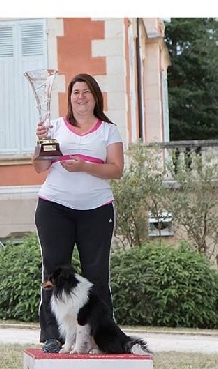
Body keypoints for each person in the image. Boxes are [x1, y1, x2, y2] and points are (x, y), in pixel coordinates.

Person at [32, 73, 124, 352]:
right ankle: (52, 335)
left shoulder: (109, 130)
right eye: (75, 92)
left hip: (96, 211)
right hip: (54, 207)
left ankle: (101, 336)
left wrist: (85, 166)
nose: (80, 97)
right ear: (69, 98)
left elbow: (117, 169)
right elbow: (39, 168)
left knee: (97, 275)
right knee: (53, 272)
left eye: (86, 91)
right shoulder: (55, 127)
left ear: (95, 97)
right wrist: (41, 143)